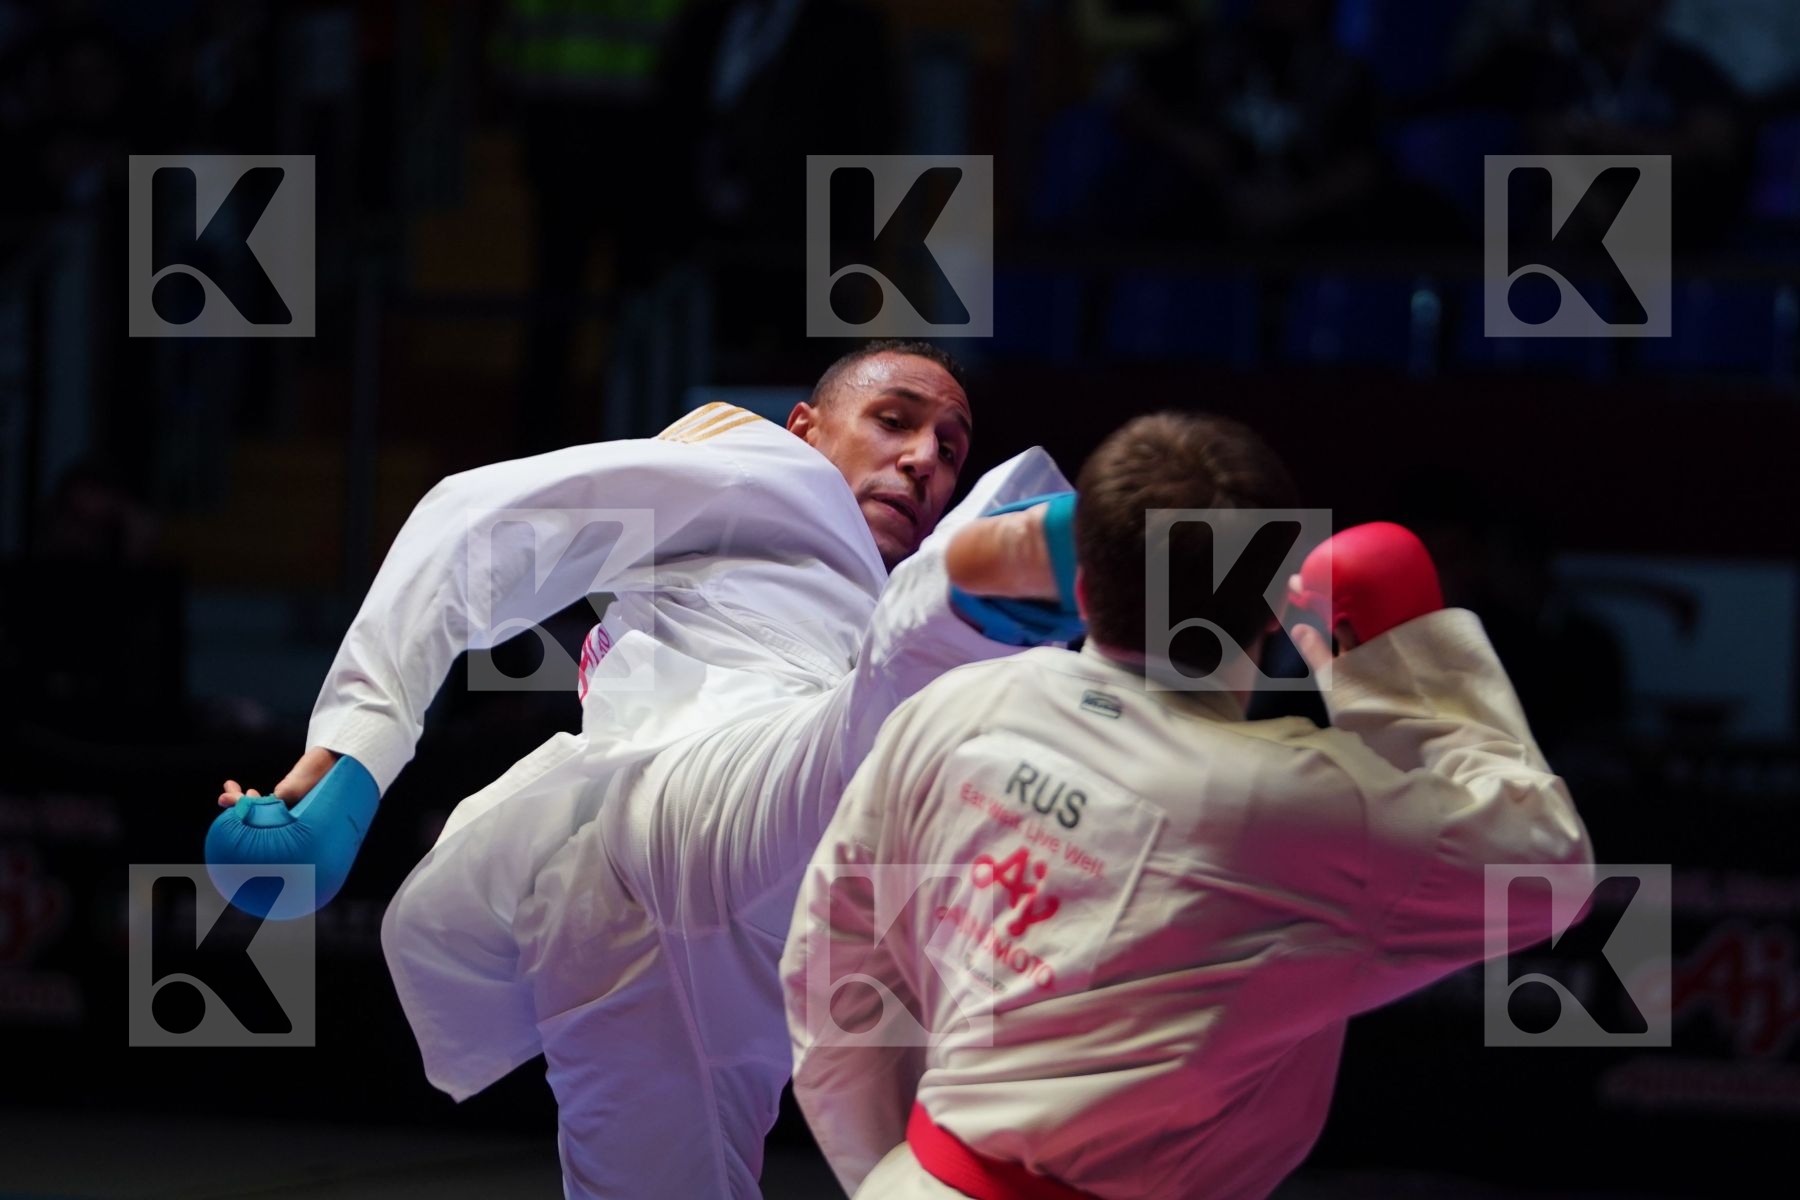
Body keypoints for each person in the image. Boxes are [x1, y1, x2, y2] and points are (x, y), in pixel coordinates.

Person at [213, 339, 1076, 1197]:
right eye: (895, 422)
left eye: (952, 450)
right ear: (806, 429)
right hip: (693, 806)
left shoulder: (858, 597)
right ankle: (991, 589)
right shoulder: (771, 472)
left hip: (655, 953)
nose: (924, 457)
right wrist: (354, 756)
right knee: (878, 733)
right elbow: (484, 519)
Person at [781, 412, 1595, 1199]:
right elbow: (1548, 868)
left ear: (1084, 584)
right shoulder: (1311, 804)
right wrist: (1400, 664)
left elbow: (832, 970)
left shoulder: (953, 708)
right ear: (1278, 609)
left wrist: (912, 1173)